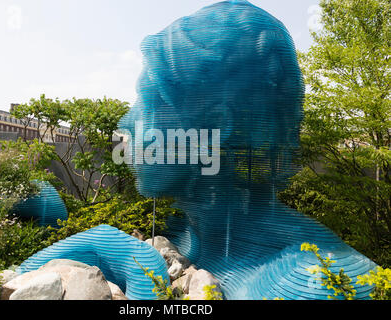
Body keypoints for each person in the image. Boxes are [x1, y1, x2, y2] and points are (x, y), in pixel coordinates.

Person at [118, 0, 376, 299]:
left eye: (150, 101)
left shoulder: (305, 279)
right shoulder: (188, 235)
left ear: (216, 122)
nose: (128, 120)